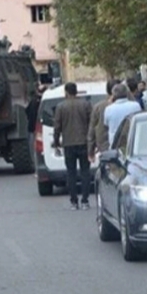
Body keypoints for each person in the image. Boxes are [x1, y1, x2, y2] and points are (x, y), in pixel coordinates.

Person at [53, 82, 93, 210]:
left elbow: (57, 126)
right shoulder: (85, 104)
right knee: (85, 172)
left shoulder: (61, 107)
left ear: (66, 92)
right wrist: (92, 141)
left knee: (71, 173)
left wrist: (56, 141)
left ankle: (74, 202)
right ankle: (85, 200)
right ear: (76, 91)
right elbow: (92, 123)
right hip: (84, 142)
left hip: (68, 143)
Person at [104, 83, 142, 148]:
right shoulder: (136, 105)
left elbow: (106, 124)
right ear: (127, 93)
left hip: (115, 143)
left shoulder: (108, 109)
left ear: (113, 95)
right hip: (133, 141)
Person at [87, 80, 116, 161]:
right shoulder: (130, 105)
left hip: (104, 145)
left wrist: (90, 151)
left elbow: (92, 130)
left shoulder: (99, 107)